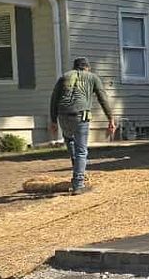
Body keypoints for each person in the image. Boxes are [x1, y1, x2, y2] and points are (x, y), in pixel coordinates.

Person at [47, 57, 117, 194]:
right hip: (80, 115)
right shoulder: (92, 77)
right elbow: (103, 98)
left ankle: (77, 174)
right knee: (81, 150)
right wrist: (111, 119)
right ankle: (78, 183)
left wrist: (53, 120)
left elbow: (54, 98)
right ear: (87, 67)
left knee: (70, 141)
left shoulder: (64, 76)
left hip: (62, 114)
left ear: (75, 67)